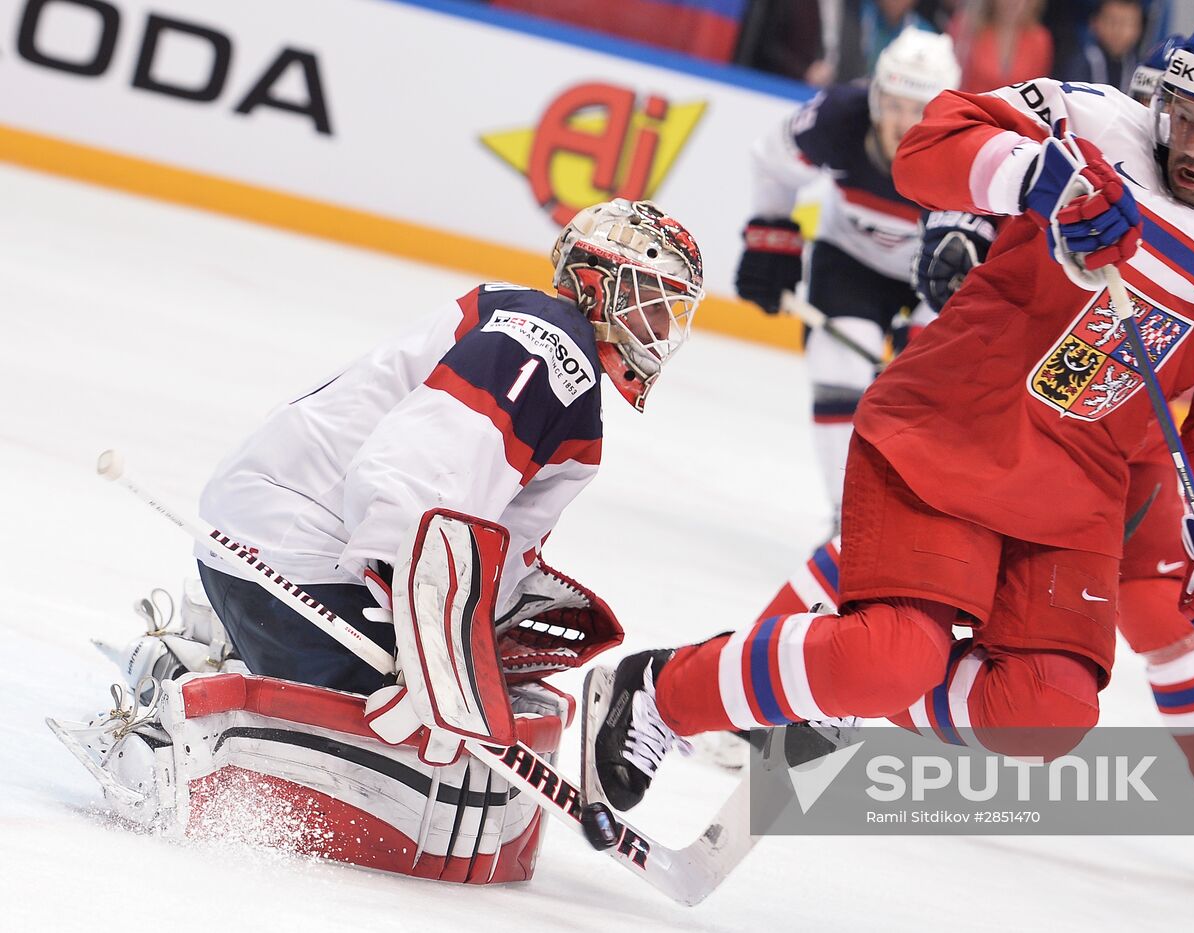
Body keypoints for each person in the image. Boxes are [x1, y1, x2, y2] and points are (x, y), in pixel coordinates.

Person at [582, 10, 1194, 837]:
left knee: (1047, 712)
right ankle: (663, 689)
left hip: (1079, 490)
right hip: (946, 429)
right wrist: (1036, 179)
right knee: (885, 656)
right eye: (1182, 116)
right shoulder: (1090, 122)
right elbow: (932, 143)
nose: (1190, 144)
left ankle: (822, 679)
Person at [50, 198, 706, 883]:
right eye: (653, 302)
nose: (662, 329)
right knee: (421, 747)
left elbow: (485, 528)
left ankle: (205, 650)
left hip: (276, 541)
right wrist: (420, 646)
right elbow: (417, 472)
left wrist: (477, 630)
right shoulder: (550, 343)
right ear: (600, 283)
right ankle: (173, 747)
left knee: (462, 713)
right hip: (299, 554)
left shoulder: (542, 338)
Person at [735, 26, 960, 527]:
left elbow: (987, 250)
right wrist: (771, 236)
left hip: (934, 276)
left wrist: (929, 333)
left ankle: (912, 514)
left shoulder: (967, 151)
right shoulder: (838, 116)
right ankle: (850, 514)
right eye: (894, 104)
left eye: (918, 110)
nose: (902, 124)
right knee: (837, 369)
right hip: (849, 259)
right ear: (875, 96)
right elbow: (772, 160)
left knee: (924, 397)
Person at [947, 0, 1053, 94]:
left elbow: (1037, 92)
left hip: (1013, 114)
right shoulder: (967, 28)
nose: (1013, 2)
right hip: (968, 110)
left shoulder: (1040, 39)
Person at [1059, 0, 1144, 95]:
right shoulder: (1081, 62)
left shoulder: (1140, 67)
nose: (1118, 31)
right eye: (1112, 22)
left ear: (1139, 29)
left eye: (1127, 24)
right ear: (1095, 23)